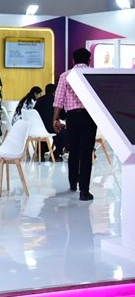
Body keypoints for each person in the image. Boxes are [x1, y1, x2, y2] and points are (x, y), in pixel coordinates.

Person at [54, 47, 96, 201]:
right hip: (89, 118)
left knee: (74, 150)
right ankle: (84, 191)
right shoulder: (93, 74)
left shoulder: (65, 75)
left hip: (72, 117)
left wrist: (55, 119)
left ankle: (73, 183)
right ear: (89, 60)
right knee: (86, 154)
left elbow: (58, 99)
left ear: (73, 60)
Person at [34, 83, 67, 159]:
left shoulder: (39, 100)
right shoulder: (56, 101)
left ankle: (40, 153)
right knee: (66, 133)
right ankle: (55, 154)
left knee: (55, 131)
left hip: (38, 129)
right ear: (55, 92)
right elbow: (63, 116)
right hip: (51, 127)